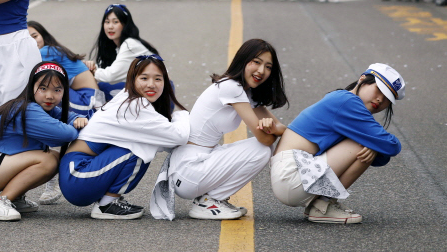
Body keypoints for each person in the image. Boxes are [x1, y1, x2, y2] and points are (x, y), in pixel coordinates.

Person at [169, 39, 289, 220]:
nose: (261, 71)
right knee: (262, 149)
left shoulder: (247, 92)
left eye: (268, 67)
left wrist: (271, 127)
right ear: (243, 60)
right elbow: (265, 139)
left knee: (263, 147)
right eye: (256, 62)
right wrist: (271, 130)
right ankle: (209, 201)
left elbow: (280, 127)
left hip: (200, 161)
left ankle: (210, 199)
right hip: (188, 169)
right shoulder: (231, 87)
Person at [60, 54, 190, 220]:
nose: (151, 84)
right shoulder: (134, 106)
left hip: (77, 174)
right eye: (144, 78)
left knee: (144, 142)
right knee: (141, 148)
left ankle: (107, 200)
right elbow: (179, 137)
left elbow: (167, 141)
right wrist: (183, 115)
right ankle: (107, 205)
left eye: (158, 79)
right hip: (77, 176)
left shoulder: (127, 98)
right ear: (132, 79)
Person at [271, 63, 403, 224]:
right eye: (379, 90)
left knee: (369, 143)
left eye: (387, 99)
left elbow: (382, 155)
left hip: (291, 175)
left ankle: (321, 205)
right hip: (291, 176)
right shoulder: (347, 103)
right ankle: (323, 206)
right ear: (362, 79)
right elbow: (392, 146)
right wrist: (375, 146)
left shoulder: (342, 99)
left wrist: (375, 148)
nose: (380, 99)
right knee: (362, 143)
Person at [0, 61, 86, 221]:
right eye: (43, 88)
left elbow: (68, 117)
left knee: (47, 156)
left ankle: (14, 197)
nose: (49, 95)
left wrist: (78, 118)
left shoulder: (43, 107)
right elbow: (66, 134)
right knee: (49, 160)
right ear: (32, 87)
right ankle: (0, 201)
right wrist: (78, 125)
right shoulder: (28, 109)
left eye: (57, 90)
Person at [85, 4, 158, 102]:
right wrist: (92, 66)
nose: (110, 26)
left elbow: (111, 76)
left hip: (159, 93)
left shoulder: (130, 45)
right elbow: (107, 70)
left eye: (116, 22)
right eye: (107, 22)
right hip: (149, 89)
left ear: (125, 25)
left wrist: (92, 71)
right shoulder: (115, 47)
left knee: (102, 87)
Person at [28, 20, 99, 116]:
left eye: (35, 36)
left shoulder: (46, 51)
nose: (33, 41)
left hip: (88, 101)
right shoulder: (54, 50)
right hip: (92, 98)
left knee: (49, 91)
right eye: (28, 39)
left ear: (43, 36)